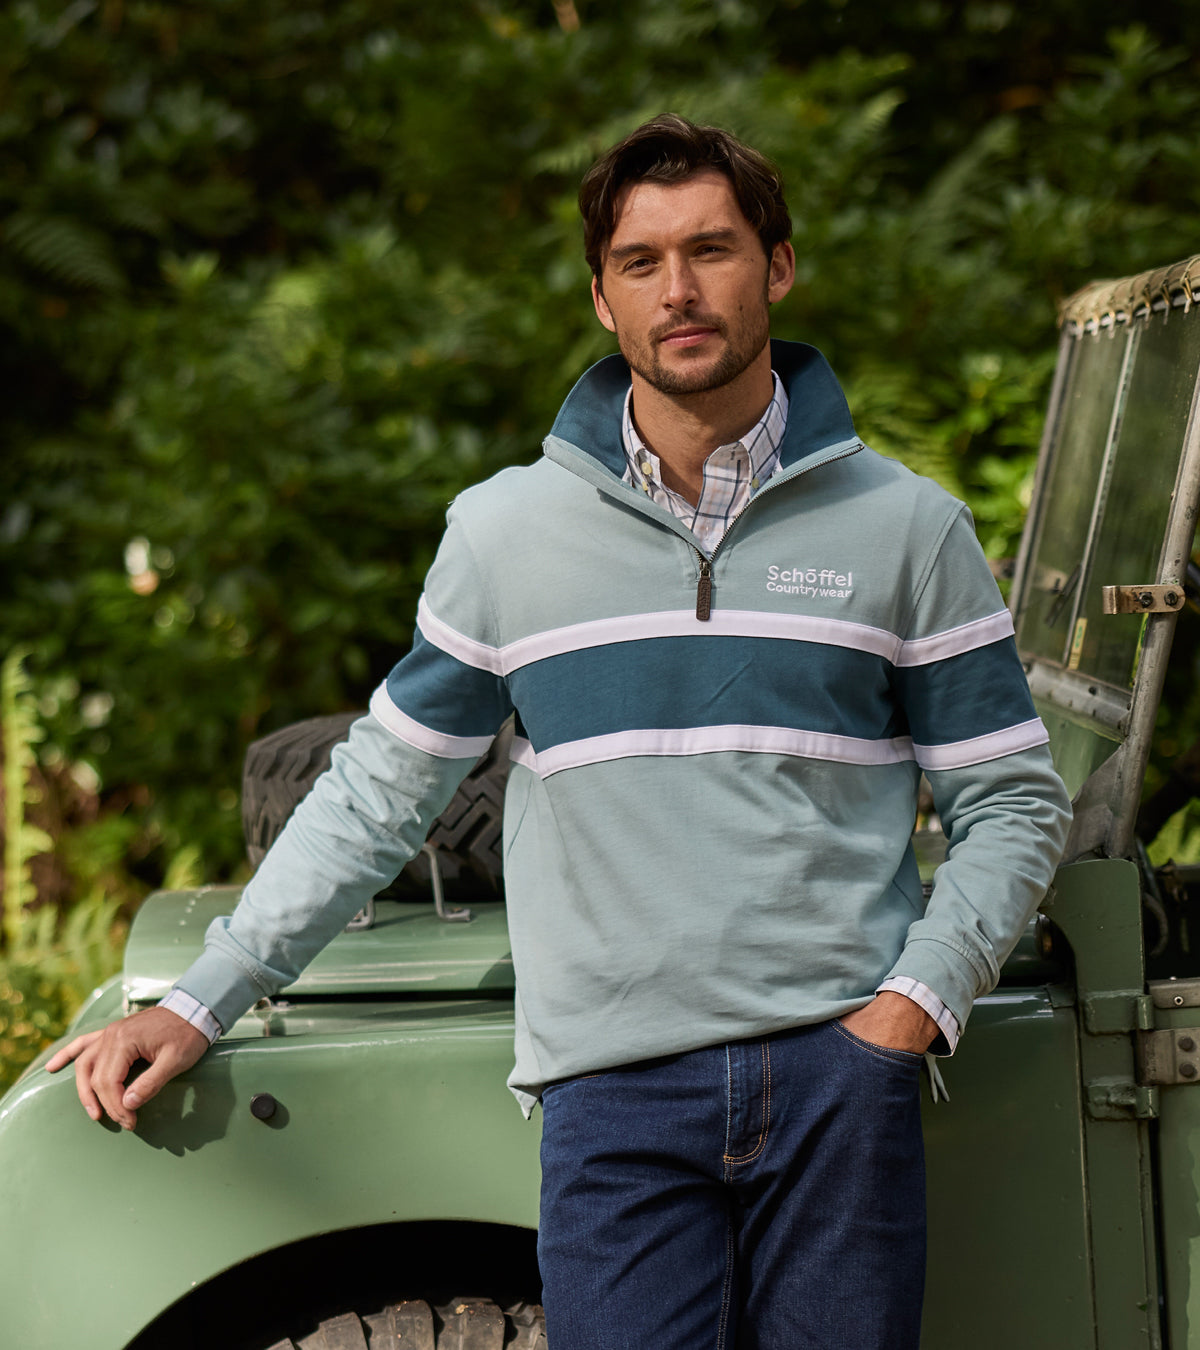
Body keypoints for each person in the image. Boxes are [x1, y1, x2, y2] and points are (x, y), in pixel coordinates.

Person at [49, 115, 1072, 1348]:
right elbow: (382, 790)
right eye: (642, 263)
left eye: (714, 249)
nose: (680, 290)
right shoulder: (503, 534)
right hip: (615, 1095)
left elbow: (1011, 800)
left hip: (837, 1083)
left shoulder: (909, 528)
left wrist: (910, 1008)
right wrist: (205, 997)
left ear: (779, 267)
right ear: (602, 298)